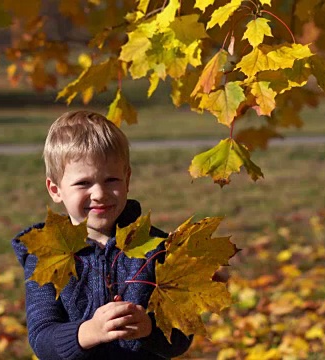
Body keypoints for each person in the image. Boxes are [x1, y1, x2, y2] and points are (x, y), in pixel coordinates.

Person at [11, 110, 193, 359]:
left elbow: (183, 333)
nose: (99, 193)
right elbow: (42, 337)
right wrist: (89, 332)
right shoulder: (45, 253)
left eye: (111, 180)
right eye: (83, 183)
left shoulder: (155, 246)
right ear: (55, 189)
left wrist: (150, 328)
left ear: (127, 179)